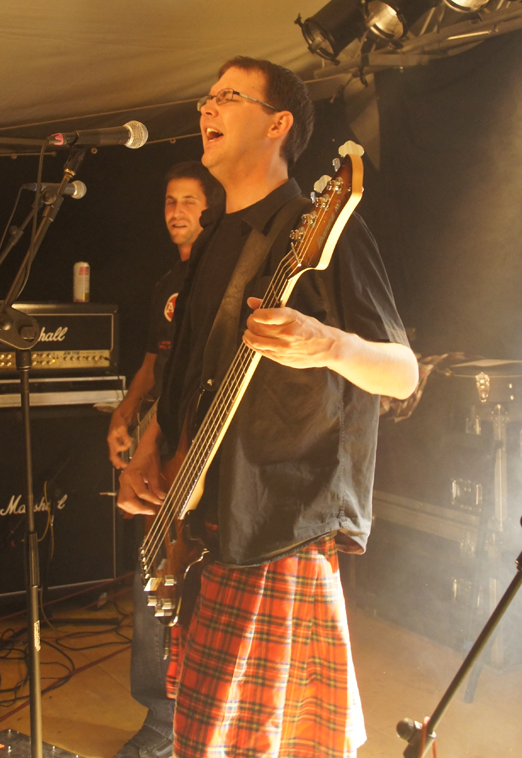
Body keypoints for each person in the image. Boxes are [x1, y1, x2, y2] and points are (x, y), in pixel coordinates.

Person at [118, 56, 419, 758]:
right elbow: (188, 373)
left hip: (281, 521)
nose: (206, 108)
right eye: (206, 97)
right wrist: (151, 443)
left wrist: (328, 344)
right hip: (212, 521)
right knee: (207, 736)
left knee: (252, 741)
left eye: (228, 96)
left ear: (278, 123)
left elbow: (403, 374)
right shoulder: (214, 238)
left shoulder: (322, 230)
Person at [108, 160, 223, 758]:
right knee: (152, 570)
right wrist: (126, 412)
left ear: (212, 209)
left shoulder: (222, 275)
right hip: (159, 443)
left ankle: (191, 718)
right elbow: (156, 363)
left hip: (200, 449)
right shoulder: (167, 285)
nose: (176, 212)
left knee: (192, 575)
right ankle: (161, 719)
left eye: (188, 201)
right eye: (169, 202)